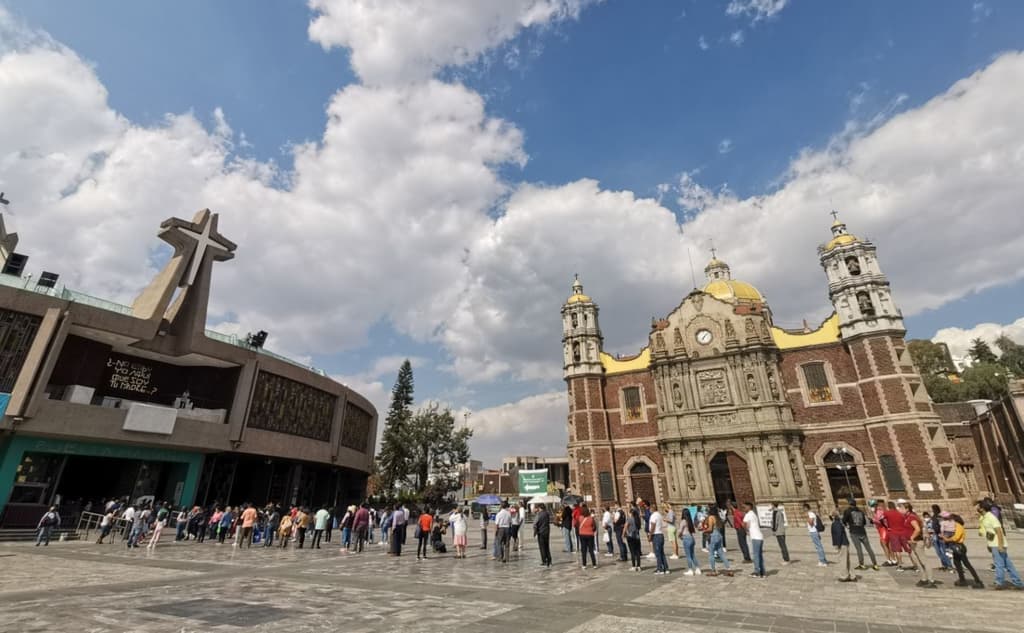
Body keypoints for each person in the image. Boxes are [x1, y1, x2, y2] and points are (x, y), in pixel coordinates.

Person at [977, 498, 1024, 590]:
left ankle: (999, 582)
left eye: (978, 507)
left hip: (997, 544)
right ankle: (1018, 583)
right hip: (993, 543)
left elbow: (999, 531)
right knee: (1008, 564)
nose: (977, 509)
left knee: (999, 564)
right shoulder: (985, 517)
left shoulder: (991, 517)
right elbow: (989, 533)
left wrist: (1000, 545)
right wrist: (989, 544)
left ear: (982, 508)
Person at [940, 511, 983, 589]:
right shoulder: (953, 527)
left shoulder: (959, 526)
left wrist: (947, 539)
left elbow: (956, 537)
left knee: (967, 564)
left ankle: (978, 581)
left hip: (959, 546)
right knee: (957, 564)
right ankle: (962, 579)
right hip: (954, 546)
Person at [898, 501, 936, 588]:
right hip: (911, 543)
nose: (899, 510)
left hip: (917, 542)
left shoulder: (912, 517)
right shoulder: (906, 517)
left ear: (907, 509)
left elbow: (917, 529)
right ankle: (923, 578)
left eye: (901, 508)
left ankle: (931, 580)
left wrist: (912, 537)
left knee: (924, 561)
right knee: (917, 561)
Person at [842, 499, 878, 570]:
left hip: (854, 532)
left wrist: (847, 525)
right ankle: (875, 564)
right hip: (862, 532)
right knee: (869, 548)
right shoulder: (861, 511)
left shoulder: (847, 511)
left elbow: (844, 520)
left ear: (849, 504)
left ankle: (862, 564)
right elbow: (864, 522)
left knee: (859, 549)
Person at [704, 504, 732, 576]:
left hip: (713, 536)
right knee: (721, 553)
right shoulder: (717, 517)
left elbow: (710, 529)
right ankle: (729, 569)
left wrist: (704, 530)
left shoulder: (711, 517)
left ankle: (713, 570)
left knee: (711, 554)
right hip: (719, 535)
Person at [926, 505, 952, 572]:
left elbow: (942, 526)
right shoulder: (934, 517)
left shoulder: (939, 516)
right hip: (935, 535)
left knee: (943, 551)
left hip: (941, 535)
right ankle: (944, 565)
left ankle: (949, 565)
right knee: (939, 552)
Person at [830, 510, 854, 582]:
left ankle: (844, 576)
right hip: (845, 542)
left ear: (833, 516)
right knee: (847, 560)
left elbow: (838, 534)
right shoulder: (839, 522)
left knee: (843, 560)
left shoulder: (835, 523)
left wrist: (838, 545)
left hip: (842, 543)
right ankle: (852, 575)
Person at [881, 501, 906, 568]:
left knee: (897, 550)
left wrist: (885, 526)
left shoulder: (887, 513)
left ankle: (900, 565)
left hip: (893, 532)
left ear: (888, 506)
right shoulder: (900, 513)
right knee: (909, 550)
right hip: (903, 532)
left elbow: (881, 518)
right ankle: (916, 565)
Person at [743, 502, 765, 579]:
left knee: (756, 555)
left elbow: (744, 524)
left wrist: (746, 530)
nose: (744, 509)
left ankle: (757, 572)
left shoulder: (748, 514)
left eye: (745, 507)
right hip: (760, 536)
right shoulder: (753, 514)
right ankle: (762, 573)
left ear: (749, 507)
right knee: (759, 555)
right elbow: (749, 524)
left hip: (755, 537)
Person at [679, 506, 701, 575]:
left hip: (686, 538)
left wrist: (679, 536)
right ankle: (697, 568)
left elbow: (680, 531)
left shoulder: (683, 521)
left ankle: (690, 570)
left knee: (688, 555)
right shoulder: (690, 521)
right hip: (691, 538)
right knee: (692, 554)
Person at [649, 503, 670, 575]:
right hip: (661, 534)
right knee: (662, 553)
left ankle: (660, 569)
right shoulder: (659, 515)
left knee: (658, 553)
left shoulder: (653, 516)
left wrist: (650, 535)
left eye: (650, 509)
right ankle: (666, 568)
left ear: (652, 509)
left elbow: (653, 526)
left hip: (656, 535)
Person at [577, 504, 598, 569]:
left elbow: (577, 525)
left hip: (582, 535)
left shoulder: (580, 518)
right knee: (591, 550)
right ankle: (594, 564)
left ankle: (584, 564)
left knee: (583, 550)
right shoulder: (591, 518)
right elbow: (594, 527)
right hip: (590, 535)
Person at [624, 501, 643, 571]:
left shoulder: (630, 519)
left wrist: (623, 535)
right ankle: (639, 566)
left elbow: (625, 527)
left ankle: (633, 566)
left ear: (631, 513)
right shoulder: (637, 520)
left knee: (632, 552)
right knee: (637, 551)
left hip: (631, 536)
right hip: (637, 536)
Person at [533, 503, 552, 567]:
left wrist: (535, 531)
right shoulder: (547, 514)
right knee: (547, 546)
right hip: (547, 531)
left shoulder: (539, 515)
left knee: (542, 547)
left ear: (540, 508)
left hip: (540, 532)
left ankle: (544, 560)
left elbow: (535, 523)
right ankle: (549, 560)